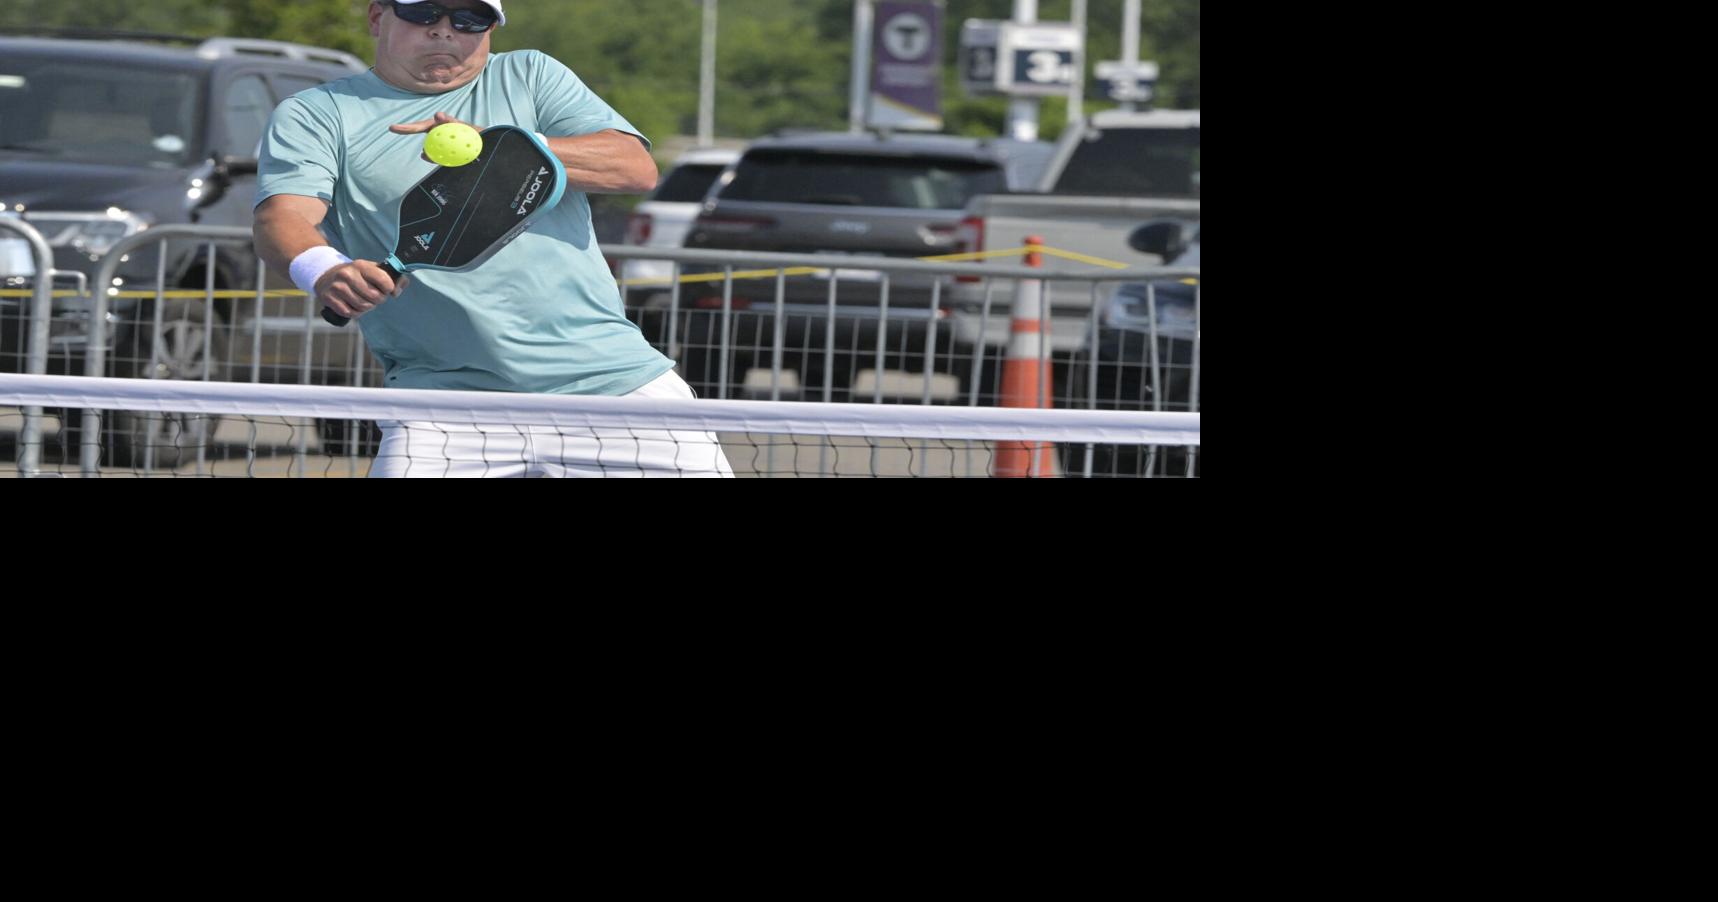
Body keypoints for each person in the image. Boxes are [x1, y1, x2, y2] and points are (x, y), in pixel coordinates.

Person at [253, 0, 734, 477]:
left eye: (469, 19)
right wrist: (323, 270)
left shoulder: (531, 74)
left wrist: (505, 148)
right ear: (379, 17)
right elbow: (282, 217)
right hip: (443, 405)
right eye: (424, 13)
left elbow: (633, 168)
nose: (445, 30)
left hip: (613, 385)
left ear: (491, 30)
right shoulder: (317, 113)